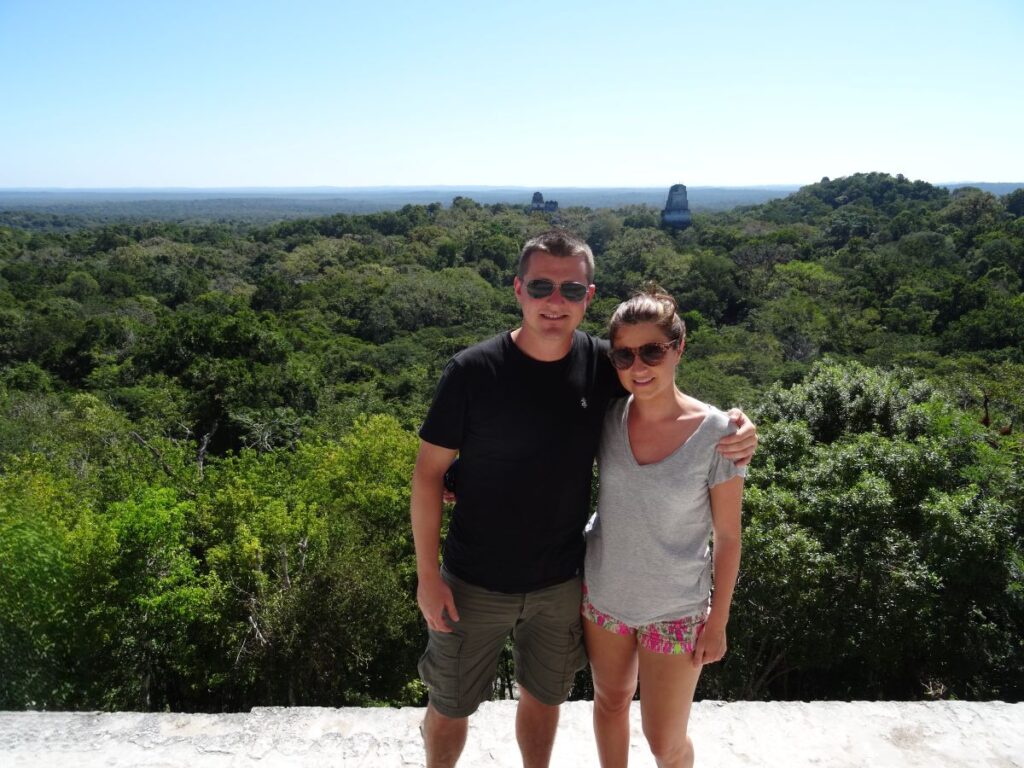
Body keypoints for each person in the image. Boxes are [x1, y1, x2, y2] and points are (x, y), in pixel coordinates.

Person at [410, 231, 756, 768]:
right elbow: (428, 475)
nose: (556, 301)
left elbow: (666, 402)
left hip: (562, 581)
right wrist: (428, 577)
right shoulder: (473, 372)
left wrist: (738, 426)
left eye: (571, 289)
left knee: (545, 698)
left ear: (588, 296)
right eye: (541, 286)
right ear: (518, 289)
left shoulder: (602, 366)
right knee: (451, 703)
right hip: (475, 579)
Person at [583, 286, 745, 768]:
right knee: (610, 702)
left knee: (665, 742)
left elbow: (729, 537)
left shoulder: (719, 434)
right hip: (604, 598)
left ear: (679, 348)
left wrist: (718, 620)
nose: (639, 366)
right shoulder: (608, 418)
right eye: (625, 355)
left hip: (676, 610)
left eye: (652, 351)